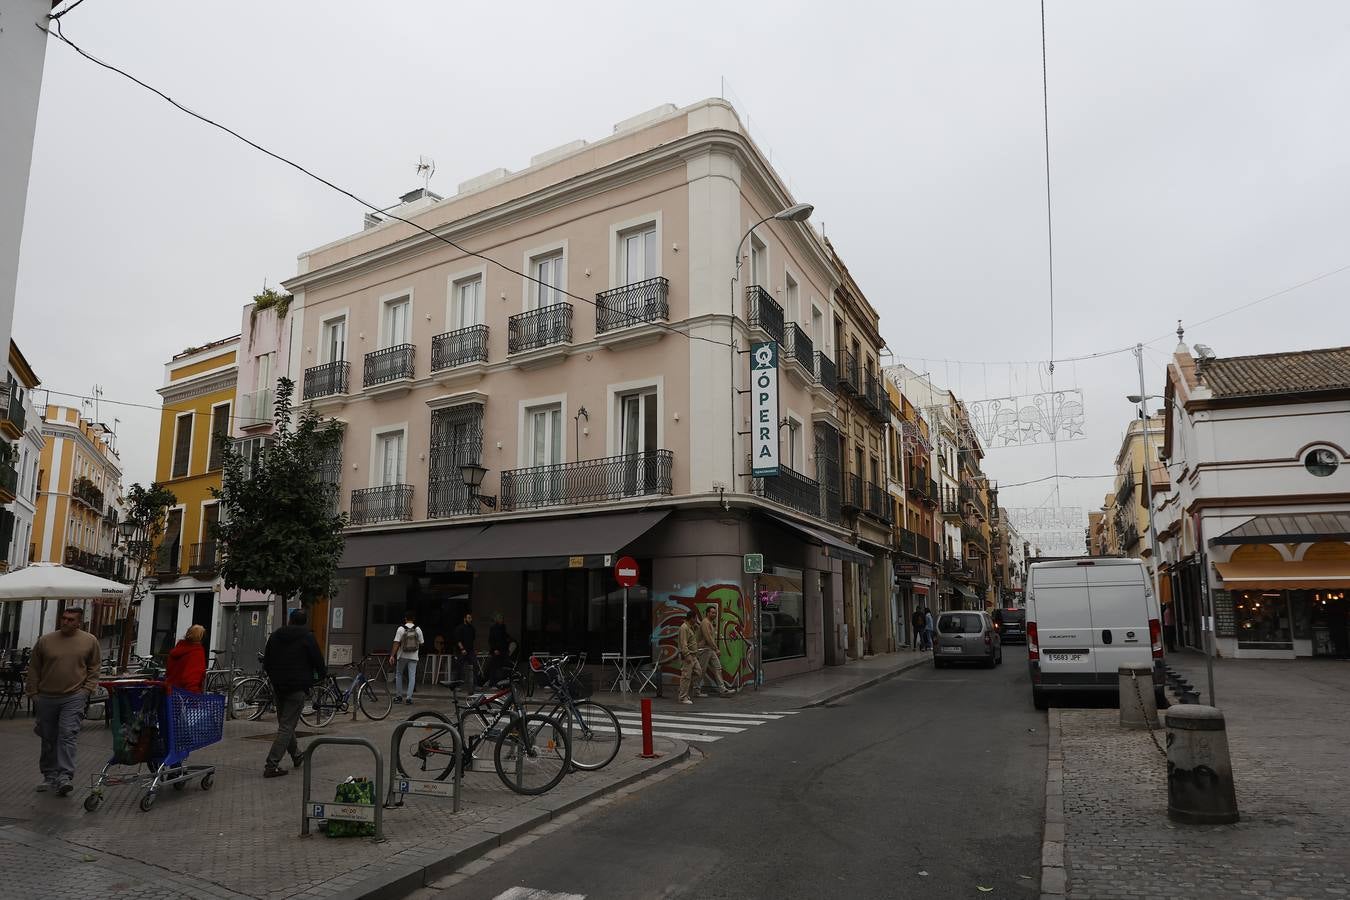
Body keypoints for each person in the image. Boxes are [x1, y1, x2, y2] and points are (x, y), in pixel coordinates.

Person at [25, 607, 101, 796]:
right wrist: (33, 692)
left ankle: (64, 776)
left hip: (74, 696)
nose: (65, 622)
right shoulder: (46, 641)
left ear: (79, 622)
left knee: (67, 734)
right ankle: (49, 775)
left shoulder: (89, 641)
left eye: (70, 619)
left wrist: (86, 690)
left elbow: (94, 667)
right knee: (48, 736)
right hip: (47, 696)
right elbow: (34, 667)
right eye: (64, 618)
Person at [261, 608, 325, 778]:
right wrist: (319, 677)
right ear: (304, 622)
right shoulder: (307, 637)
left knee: (284, 724)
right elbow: (318, 660)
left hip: (278, 686)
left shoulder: (275, 636)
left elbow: (266, 661)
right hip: (297, 687)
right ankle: (271, 764)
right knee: (287, 727)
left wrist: (274, 676)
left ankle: (297, 755)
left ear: (290, 619)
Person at [390, 612, 424, 705]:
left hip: (402, 656)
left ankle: (399, 697)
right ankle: (409, 698)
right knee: (412, 676)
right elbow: (421, 643)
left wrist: (392, 655)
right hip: (414, 656)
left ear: (405, 619)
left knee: (399, 674)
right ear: (413, 619)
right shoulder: (418, 629)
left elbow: (396, 643)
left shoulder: (401, 629)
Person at [697, 606, 731, 696]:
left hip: (710, 649)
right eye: (712, 613)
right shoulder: (705, 623)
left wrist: (714, 648)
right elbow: (708, 637)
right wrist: (716, 649)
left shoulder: (710, 623)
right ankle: (696, 690)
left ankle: (722, 689)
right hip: (704, 649)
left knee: (718, 667)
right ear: (707, 613)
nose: (714, 615)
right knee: (702, 670)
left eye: (715, 613)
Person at [165, 624, 207, 693]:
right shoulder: (197, 651)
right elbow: (192, 677)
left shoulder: (178, 648)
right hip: (185, 694)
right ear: (201, 638)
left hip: (171, 692)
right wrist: (195, 696)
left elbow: (168, 671)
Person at [676, 610, 703, 705]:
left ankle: (684, 691)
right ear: (692, 618)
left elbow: (699, 629)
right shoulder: (684, 628)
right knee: (686, 676)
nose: (697, 620)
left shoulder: (691, 627)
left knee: (698, 672)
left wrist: (698, 624)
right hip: (688, 655)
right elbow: (683, 643)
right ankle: (683, 697)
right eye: (696, 618)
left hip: (694, 656)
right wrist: (687, 655)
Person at [452, 612, 477, 692]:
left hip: (470, 651)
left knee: (474, 666)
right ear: (465, 618)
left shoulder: (472, 628)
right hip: (461, 651)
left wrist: (473, 649)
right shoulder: (459, 628)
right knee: (459, 668)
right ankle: (456, 685)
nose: (470, 619)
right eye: (469, 618)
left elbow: (472, 640)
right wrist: (462, 649)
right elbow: (458, 640)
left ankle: (474, 685)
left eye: (471, 618)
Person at [485, 612, 512, 686]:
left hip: (503, 650)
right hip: (496, 650)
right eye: (500, 619)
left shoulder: (503, 627)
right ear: (497, 620)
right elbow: (491, 640)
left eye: (502, 619)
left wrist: (508, 645)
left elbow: (505, 637)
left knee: (505, 666)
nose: (502, 620)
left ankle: (504, 682)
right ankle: (492, 683)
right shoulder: (493, 628)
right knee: (494, 667)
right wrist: (494, 649)